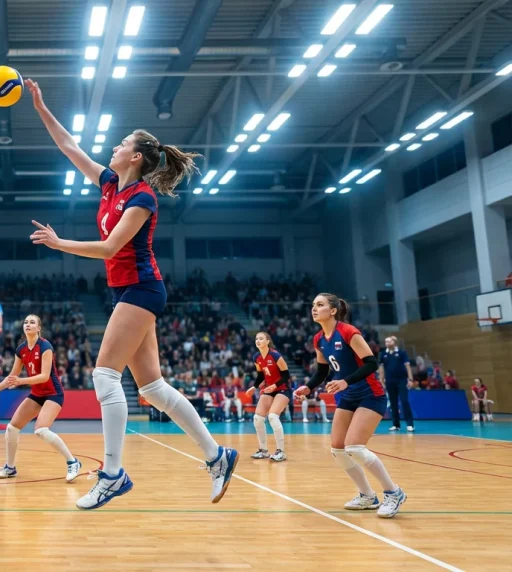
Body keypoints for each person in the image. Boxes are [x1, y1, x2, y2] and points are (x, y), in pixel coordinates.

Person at [25, 78, 237, 510]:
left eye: (122, 143)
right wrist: (39, 106)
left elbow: (108, 248)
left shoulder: (142, 198)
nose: (114, 147)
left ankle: (112, 474)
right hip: (129, 289)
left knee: (104, 375)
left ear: (135, 156)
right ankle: (218, 456)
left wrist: (60, 242)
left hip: (142, 288)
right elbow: (69, 146)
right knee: (153, 387)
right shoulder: (109, 185)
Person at [294, 293, 406, 518]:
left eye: (320, 305)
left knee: (354, 446)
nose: (314, 308)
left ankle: (393, 492)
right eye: (313, 305)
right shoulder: (319, 339)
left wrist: (345, 381)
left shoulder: (347, 332)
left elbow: (372, 363)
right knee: (337, 448)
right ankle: (367, 496)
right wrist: (309, 387)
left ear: (333, 310)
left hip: (369, 394)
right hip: (348, 396)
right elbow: (324, 370)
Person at [0, 314, 82, 482]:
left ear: (39, 328)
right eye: (25, 322)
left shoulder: (45, 346)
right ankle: (10, 468)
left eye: (32, 322)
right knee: (11, 428)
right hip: (37, 394)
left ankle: (73, 462)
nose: (28, 324)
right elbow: (13, 375)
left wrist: (22, 381)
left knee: (41, 430)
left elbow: (44, 376)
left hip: (53, 393)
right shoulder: (21, 349)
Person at [246, 332, 290, 462]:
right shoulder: (257, 357)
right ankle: (263, 450)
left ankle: (281, 451)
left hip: (283, 389)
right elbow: (261, 375)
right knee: (258, 418)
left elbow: (286, 376)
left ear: (267, 341)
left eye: (261, 338)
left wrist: (275, 385)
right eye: (256, 339)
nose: (258, 341)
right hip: (269, 389)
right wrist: (254, 387)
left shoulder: (275, 355)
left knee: (272, 416)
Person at [378, 336, 414, 432]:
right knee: (393, 403)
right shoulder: (383, 354)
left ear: (394, 342)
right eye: (386, 341)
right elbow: (381, 367)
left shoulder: (402, 353)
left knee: (404, 401)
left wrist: (410, 379)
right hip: (389, 381)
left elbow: (407, 365)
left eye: (389, 341)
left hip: (402, 380)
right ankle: (396, 425)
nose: (387, 343)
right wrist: (381, 379)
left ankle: (410, 424)